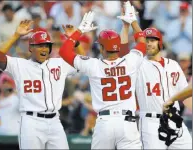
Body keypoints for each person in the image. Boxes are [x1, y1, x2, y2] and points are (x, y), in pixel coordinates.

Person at [59, 2, 146, 149]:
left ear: (101, 47)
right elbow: (142, 41)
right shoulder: (130, 61)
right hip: (128, 122)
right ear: (118, 46)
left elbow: (64, 52)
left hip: (105, 122)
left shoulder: (94, 65)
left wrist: (79, 30)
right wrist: (133, 22)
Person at [0, 20, 81, 149]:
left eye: (46, 45)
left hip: (55, 121)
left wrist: (75, 40)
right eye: (40, 45)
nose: (44, 49)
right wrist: (16, 35)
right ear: (31, 47)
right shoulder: (19, 65)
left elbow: (83, 62)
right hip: (31, 122)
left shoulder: (59, 64)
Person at [122, 25, 192, 148]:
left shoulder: (173, 64)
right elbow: (122, 55)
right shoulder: (138, 65)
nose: (149, 44)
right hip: (151, 123)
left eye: (152, 40)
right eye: (146, 41)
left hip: (175, 120)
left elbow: (185, 95)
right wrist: (128, 25)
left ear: (160, 42)